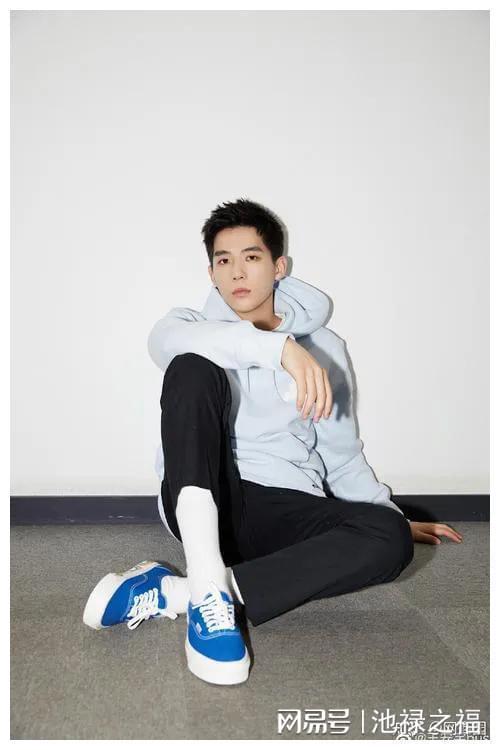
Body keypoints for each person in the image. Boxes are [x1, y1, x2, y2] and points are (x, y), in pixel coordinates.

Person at [83, 198, 464, 687]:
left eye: (252, 257)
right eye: (224, 260)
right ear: (211, 273)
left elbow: (341, 455)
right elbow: (167, 345)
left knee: (388, 536)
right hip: (206, 500)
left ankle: (183, 593)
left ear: (279, 266)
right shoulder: (188, 327)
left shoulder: (325, 349)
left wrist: (386, 514)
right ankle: (207, 583)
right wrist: (279, 349)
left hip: (284, 505)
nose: (237, 272)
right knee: (192, 368)